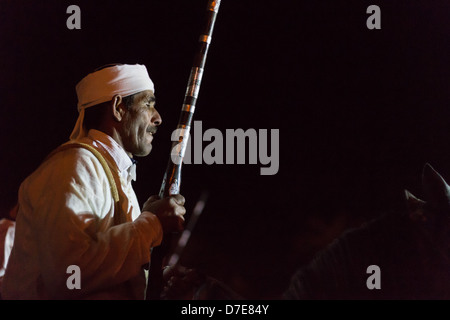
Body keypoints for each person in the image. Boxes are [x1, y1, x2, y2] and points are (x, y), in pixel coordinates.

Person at [1, 63, 186, 300]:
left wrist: (155, 284)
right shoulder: (75, 165)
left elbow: (104, 272)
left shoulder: (111, 173)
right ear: (119, 108)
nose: (158, 118)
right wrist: (152, 224)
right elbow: (69, 275)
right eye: (148, 104)